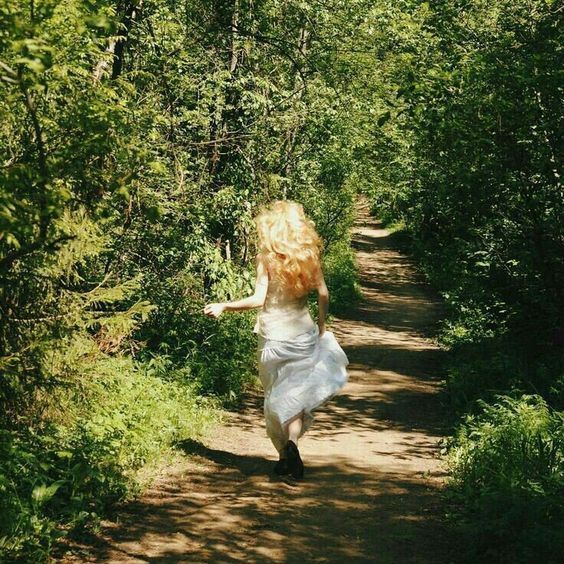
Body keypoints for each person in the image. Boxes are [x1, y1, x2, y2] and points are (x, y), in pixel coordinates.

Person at [203, 200, 349, 479]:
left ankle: (284, 456)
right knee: (295, 397)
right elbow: (323, 294)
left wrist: (224, 305)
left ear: (273, 226)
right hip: (302, 334)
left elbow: (259, 299)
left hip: (273, 337)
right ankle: (291, 446)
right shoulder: (309, 257)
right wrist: (321, 325)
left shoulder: (266, 257)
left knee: (276, 396)